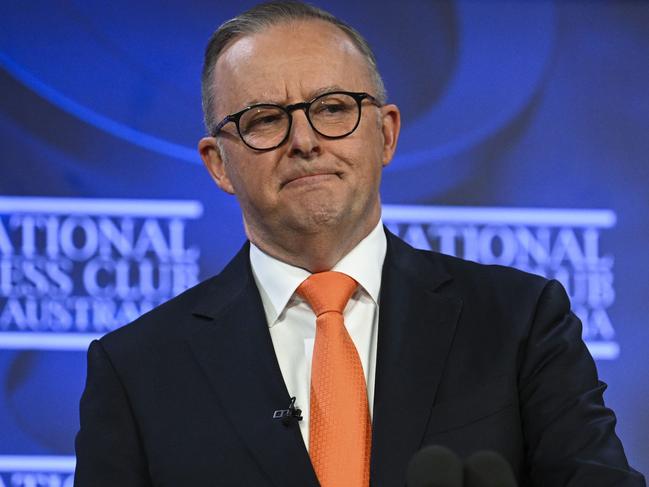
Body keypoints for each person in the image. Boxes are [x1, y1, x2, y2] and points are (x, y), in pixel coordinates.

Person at [74, 2, 646, 486]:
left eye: (332, 109)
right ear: (219, 164)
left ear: (387, 133)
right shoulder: (137, 370)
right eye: (265, 119)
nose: (305, 141)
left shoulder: (521, 322)